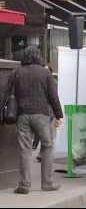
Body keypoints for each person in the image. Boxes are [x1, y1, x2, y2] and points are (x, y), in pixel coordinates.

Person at [10, 46, 63, 194]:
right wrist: (58, 114)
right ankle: (47, 183)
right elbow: (53, 96)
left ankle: (24, 185)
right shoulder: (45, 73)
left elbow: (5, 93)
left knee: (25, 150)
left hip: (22, 115)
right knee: (47, 147)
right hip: (41, 115)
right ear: (38, 56)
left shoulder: (17, 72)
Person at [32, 63, 56, 163]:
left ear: (50, 72)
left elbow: (54, 99)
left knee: (48, 136)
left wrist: (57, 114)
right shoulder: (39, 82)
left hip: (50, 113)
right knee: (45, 135)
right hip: (41, 113)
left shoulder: (53, 83)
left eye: (47, 71)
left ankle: (43, 155)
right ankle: (42, 155)